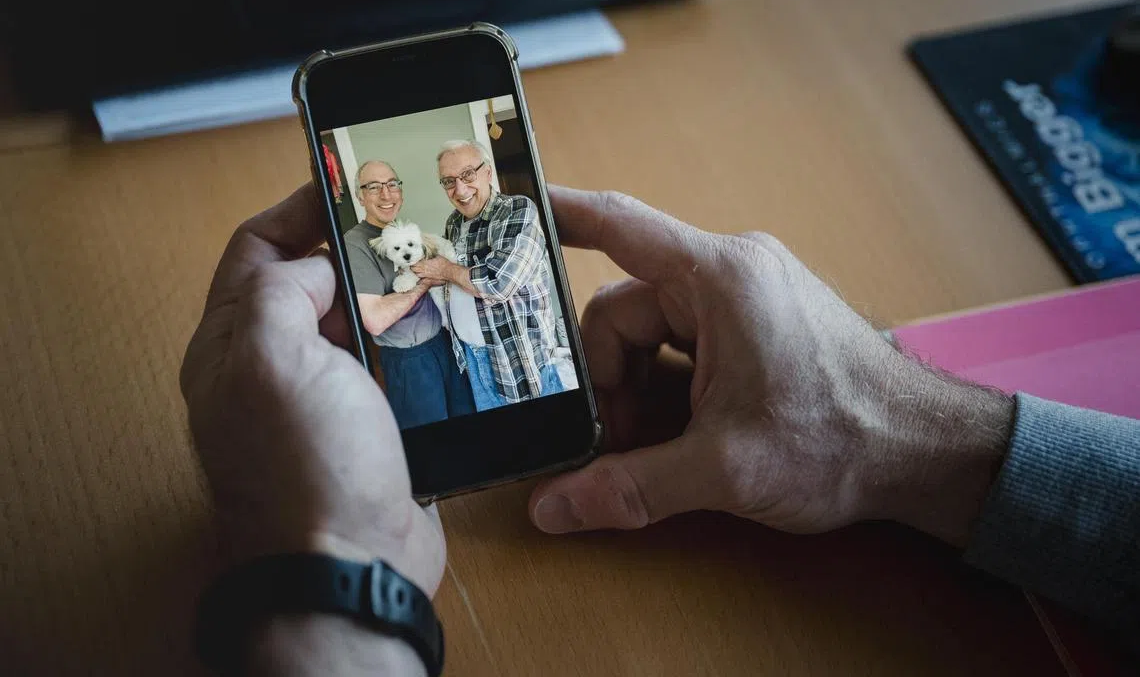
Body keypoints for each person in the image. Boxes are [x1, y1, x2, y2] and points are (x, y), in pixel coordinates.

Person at [181, 184, 1139, 675]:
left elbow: (479, 296)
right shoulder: (410, 246)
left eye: (468, 173)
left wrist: (327, 571)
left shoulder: (486, 232)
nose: (446, 193)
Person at [410, 139, 563, 410]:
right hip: (472, 358)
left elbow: (498, 284)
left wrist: (444, 269)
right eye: (448, 181)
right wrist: (436, 276)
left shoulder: (516, 210)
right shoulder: (454, 223)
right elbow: (458, 279)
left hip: (520, 361)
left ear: (488, 172)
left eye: (468, 174)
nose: (460, 189)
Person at [341, 159, 475, 427]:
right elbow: (374, 320)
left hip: (445, 344)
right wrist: (426, 280)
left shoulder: (406, 231)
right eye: (374, 187)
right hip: (409, 361)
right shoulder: (355, 244)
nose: (386, 194)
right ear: (359, 196)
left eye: (392, 184)